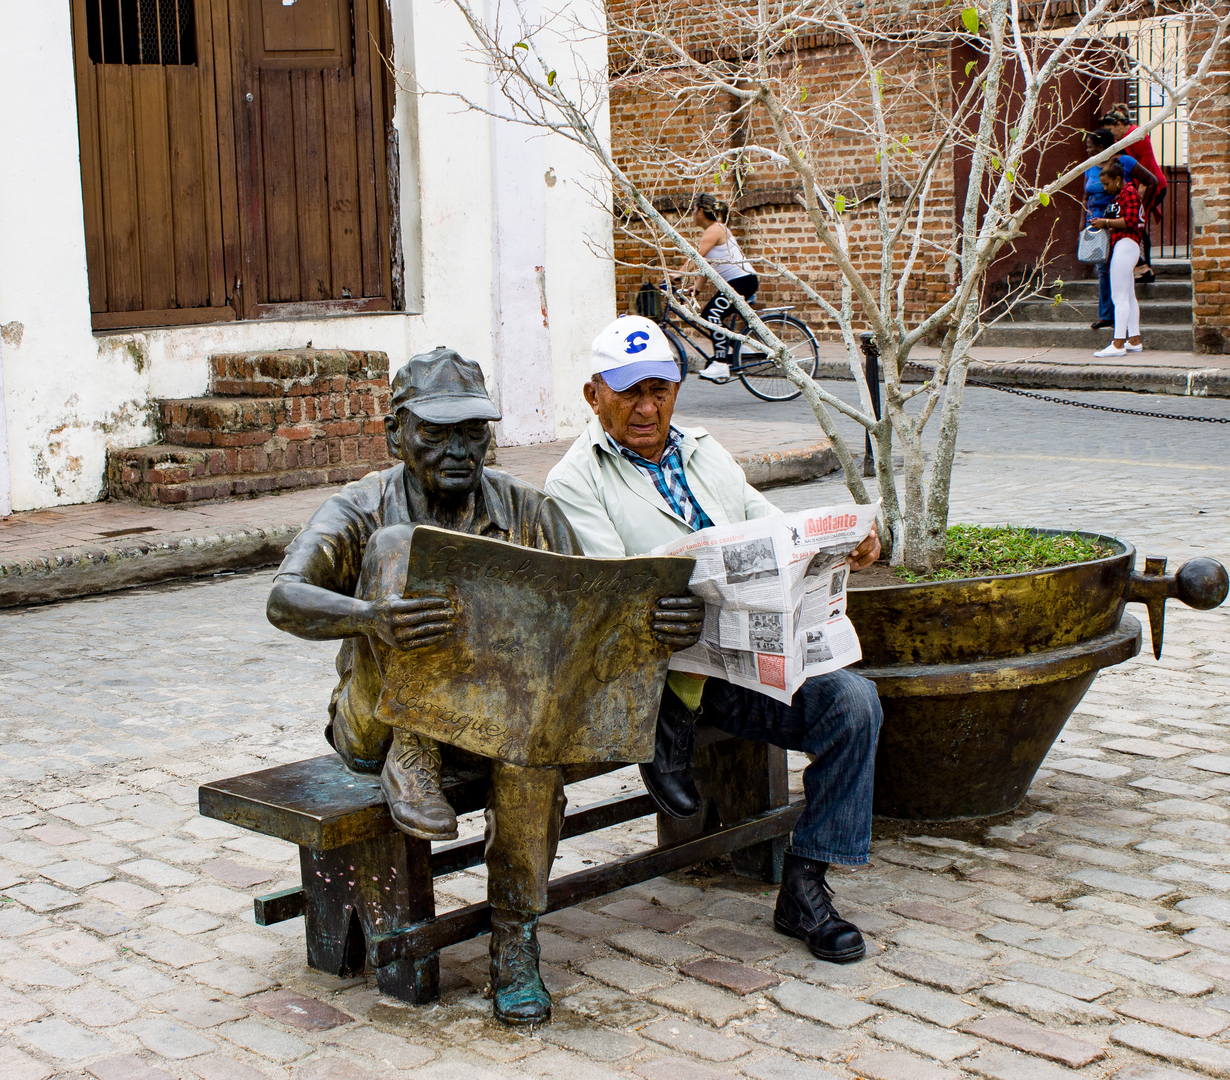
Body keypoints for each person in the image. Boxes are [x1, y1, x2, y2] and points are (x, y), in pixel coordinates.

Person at [267, 349, 700, 1026]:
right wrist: (369, 618)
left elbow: (590, 622)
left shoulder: (528, 510)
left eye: (471, 433)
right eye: (435, 434)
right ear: (395, 436)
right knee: (395, 547)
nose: (456, 450)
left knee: (529, 754)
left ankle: (514, 936)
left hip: (494, 726)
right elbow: (284, 599)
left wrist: (663, 621)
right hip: (374, 725)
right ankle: (412, 750)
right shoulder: (358, 507)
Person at [545, 315, 886, 965]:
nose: (648, 407)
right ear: (594, 395)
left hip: (745, 667)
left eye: (661, 389)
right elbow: (611, 596)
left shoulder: (702, 447)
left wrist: (840, 545)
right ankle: (667, 728)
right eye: (629, 392)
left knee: (854, 704)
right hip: (662, 674)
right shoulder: (573, 481)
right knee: (665, 612)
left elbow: (770, 526)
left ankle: (805, 886)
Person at [1082, 129, 1161, 331]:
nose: (1087, 150)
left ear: (1102, 147)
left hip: (1119, 224)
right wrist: (1082, 224)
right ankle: (1106, 315)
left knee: (1119, 271)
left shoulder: (1124, 162)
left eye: (1090, 146)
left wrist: (1140, 208)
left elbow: (1152, 181)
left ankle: (1122, 321)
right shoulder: (1090, 166)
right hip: (1097, 224)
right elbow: (1085, 197)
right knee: (1102, 269)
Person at [682, 194, 760, 384]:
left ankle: (721, 363)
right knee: (709, 314)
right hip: (739, 282)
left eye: (693, 210)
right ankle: (740, 346)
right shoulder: (713, 230)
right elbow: (707, 267)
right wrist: (697, 289)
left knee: (711, 315)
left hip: (741, 281)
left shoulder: (715, 229)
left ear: (700, 211)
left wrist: (674, 276)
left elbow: (696, 258)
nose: (692, 214)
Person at [1100, 104, 1168, 283]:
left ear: (1120, 125)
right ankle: (1144, 268)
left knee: (1137, 223)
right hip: (1138, 188)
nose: (1111, 134)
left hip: (1154, 186)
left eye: (1111, 129)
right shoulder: (1121, 141)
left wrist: (1141, 199)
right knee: (1137, 224)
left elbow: (1149, 167)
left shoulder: (1137, 135)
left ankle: (1145, 268)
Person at [1089, 162, 1144, 357]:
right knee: (1128, 295)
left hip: (1126, 244)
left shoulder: (1128, 192)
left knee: (1119, 297)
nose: (1105, 188)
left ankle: (1118, 343)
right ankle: (1134, 339)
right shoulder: (1122, 194)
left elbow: (1129, 221)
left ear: (1118, 180)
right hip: (1126, 245)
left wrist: (1105, 222)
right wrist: (1103, 222)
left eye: (1106, 184)